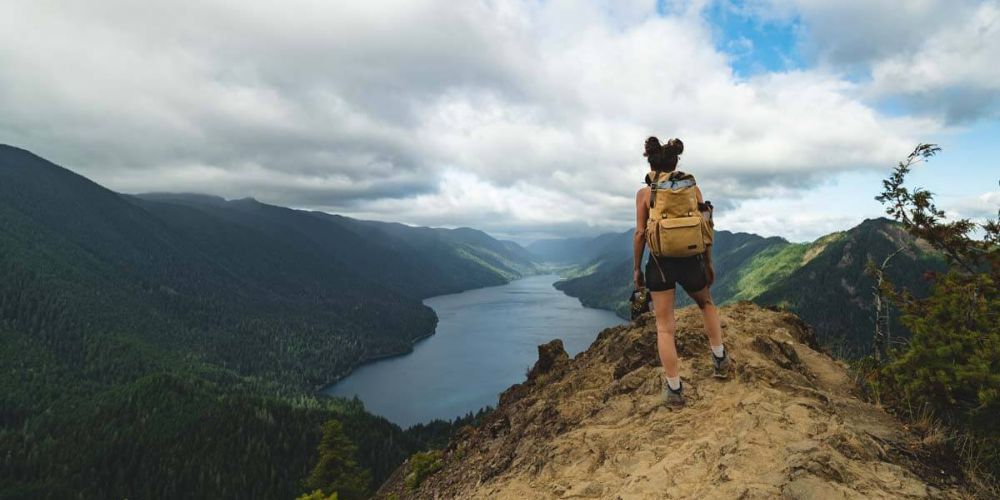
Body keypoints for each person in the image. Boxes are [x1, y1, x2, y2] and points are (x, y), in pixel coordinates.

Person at [632, 136, 731, 406]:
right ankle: (720, 360)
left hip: (660, 264)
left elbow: (641, 233)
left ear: (652, 166)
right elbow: (706, 227)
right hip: (691, 258)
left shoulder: (645, 194)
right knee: (706, 303)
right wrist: (708, 262)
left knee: (665, 328)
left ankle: (674, 390)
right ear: (676, 163)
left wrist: (637, 271)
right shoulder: (692, 190)